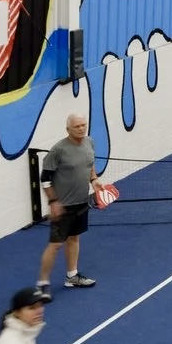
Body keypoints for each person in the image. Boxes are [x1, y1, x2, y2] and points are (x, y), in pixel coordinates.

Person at [36, 114, 99, 290]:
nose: (81, 128)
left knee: (74, 238)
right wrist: (53, 201)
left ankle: (72, 276)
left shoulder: (89, 142)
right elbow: (45, 178)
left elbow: (90, 163)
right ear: (68, 129)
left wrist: (94, 180)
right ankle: (42, 284)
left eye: (83, 125)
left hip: (81, 202)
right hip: (63, 206)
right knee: (55, 244)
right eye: (77, 126)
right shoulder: (58, 150)